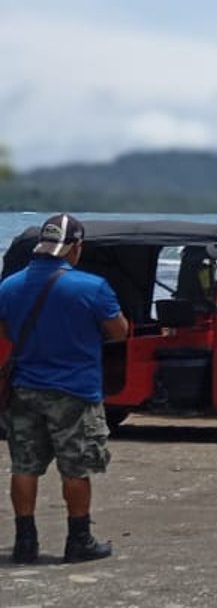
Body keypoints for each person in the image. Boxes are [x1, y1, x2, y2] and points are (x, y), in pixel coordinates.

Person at [0, 215, 128, 564]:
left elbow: (7, 331)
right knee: (75, 468)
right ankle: (79, 540)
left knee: (24, 466)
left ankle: (25, 542)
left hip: (24, 386)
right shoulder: (92, 287)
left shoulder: (9, 286)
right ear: (75, 247)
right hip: (75, 390)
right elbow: (119, 332)